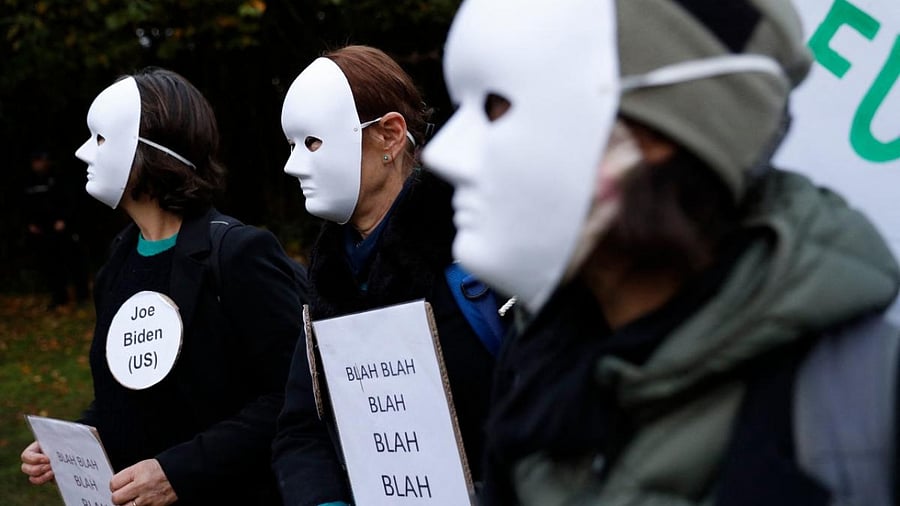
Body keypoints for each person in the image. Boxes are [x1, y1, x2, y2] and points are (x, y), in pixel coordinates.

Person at [424, 0, 899, 505]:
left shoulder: (868, 402)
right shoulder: (539, 359)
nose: (441, 155)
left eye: (498, 106)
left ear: (658, 134)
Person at [21, 68, 304, 506]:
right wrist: (76, 446)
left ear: (151, 150)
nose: (82, 153)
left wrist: (178, 472)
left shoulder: (238, 255)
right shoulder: (118, 261)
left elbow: (292, 397)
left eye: (100, 138)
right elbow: (127, 396)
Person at [272, 45, 498, 506]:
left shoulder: (478, 259)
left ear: (390, 136)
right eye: (291, 145)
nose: (293, 164)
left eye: (312, 142)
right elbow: (301, 427)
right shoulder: (329, 279)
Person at [22, 149, 90, 308]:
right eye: (35, 161)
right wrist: (30, 223)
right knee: (51, 265)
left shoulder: (60, 178)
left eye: (41, 160)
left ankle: (82, 296)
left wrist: (64, 220)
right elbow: (26, 204)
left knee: (74, 262)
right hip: (43, 231)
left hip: (64, 229)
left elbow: (71, 200)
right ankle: (59, 297)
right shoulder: (30, 181)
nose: (38, 164)